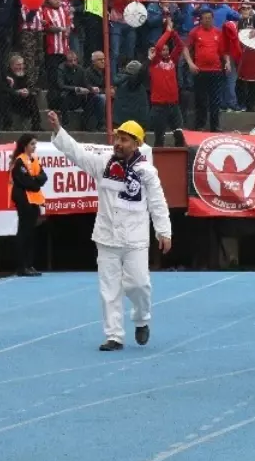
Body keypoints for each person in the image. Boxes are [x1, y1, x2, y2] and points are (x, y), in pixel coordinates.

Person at [48, 111, 172, 350]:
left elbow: (157, 203)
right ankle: (114, 335)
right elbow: (77, 154)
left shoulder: (147, 172)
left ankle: (141, 319)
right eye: (117, 138)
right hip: (106, 237)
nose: (118, 143)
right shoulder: (103, 164)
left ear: (136, 144)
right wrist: (58, 130)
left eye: (125, 140)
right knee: (109, 289)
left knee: (139, 285)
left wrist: (163, 231)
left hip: (135, 238)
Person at [9, 134, 47, 278]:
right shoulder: (19, 162)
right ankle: (21, 266)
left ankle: (29, 264)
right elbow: (26, 182)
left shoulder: (34, 159)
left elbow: (43, 177)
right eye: (32, 144)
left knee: (31, 233)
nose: (34, 147)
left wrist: (35, 180)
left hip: (34, 200)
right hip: (24, 200)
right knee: (24, 232)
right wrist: (35, 181)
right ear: (25, 145)